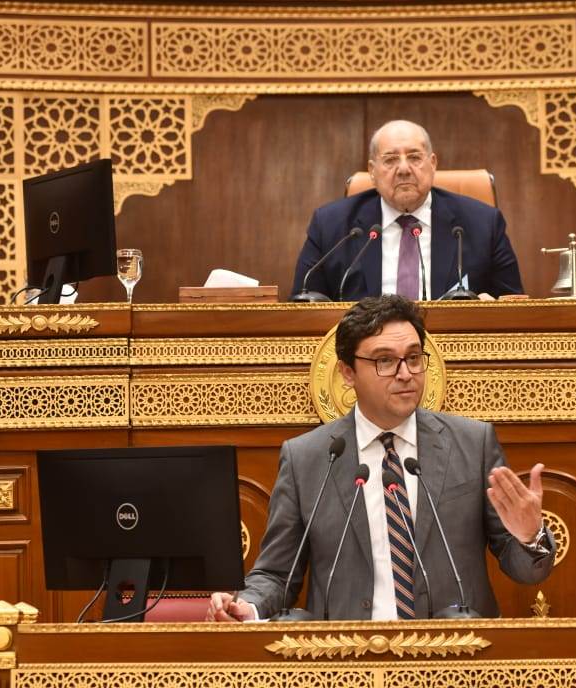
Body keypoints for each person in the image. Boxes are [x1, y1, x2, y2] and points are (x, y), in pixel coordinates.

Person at [210, 295, 554, 621]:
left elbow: (525, 569)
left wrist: (530, 536)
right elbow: (277, 573)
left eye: (414, 358)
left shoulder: (472, 444)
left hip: (455, 649)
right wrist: (248, 608)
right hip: (345, 653)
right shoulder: (306, 458)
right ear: (348, 372)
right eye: (385, 361)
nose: (405, 374)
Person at [290, 120, 523, 301]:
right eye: (390, 159)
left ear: (432, 164)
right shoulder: (331, 225)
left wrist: (491, 309)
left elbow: (514, 308)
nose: (403, 169)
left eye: (414, 157)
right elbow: (304, 305)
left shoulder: (483, 224)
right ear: (372, 171)